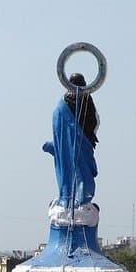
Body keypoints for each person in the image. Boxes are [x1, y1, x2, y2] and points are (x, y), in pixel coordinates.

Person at [43, 73, 99, 212]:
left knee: (80, 170)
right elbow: (95, 123)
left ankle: (80, 200)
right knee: (73, 169)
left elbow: (93, 122)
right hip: (73, 144)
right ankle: (69, 200)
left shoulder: (83, 102)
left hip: (80, 142)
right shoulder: (63, 105)